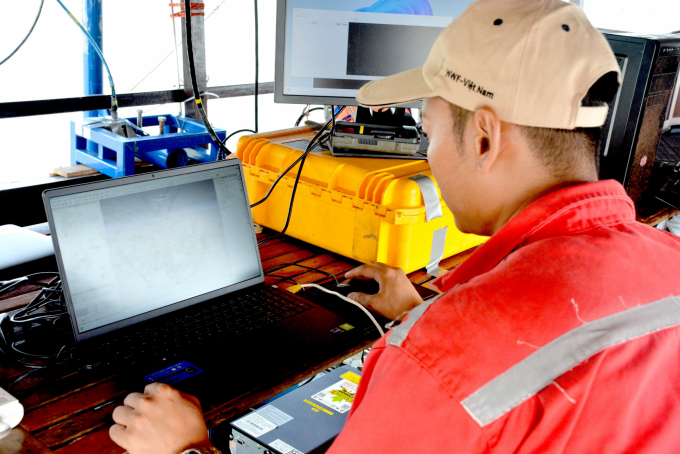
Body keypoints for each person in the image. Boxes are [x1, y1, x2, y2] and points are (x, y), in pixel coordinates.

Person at [109, 0, 680, 452]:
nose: (428, 153)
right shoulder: (667, 263)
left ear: (484, 138)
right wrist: (421, 312)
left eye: (428, 130)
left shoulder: (443, 358)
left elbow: (476, 365)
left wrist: (185, 448)